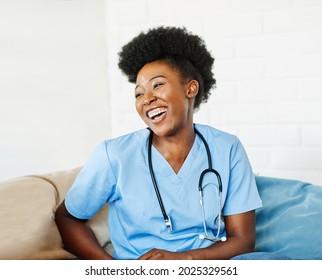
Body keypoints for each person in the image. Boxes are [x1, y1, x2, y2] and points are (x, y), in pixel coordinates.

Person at [55, 26, 288, 260]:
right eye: (138, 94)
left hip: (206, 267)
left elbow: (243, 239)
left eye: (157, 85)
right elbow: (68, 217)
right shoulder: (114, 154)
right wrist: (113, 270)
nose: (147, 99)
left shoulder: (227, 148)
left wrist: (184, 260)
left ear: (191, 88)